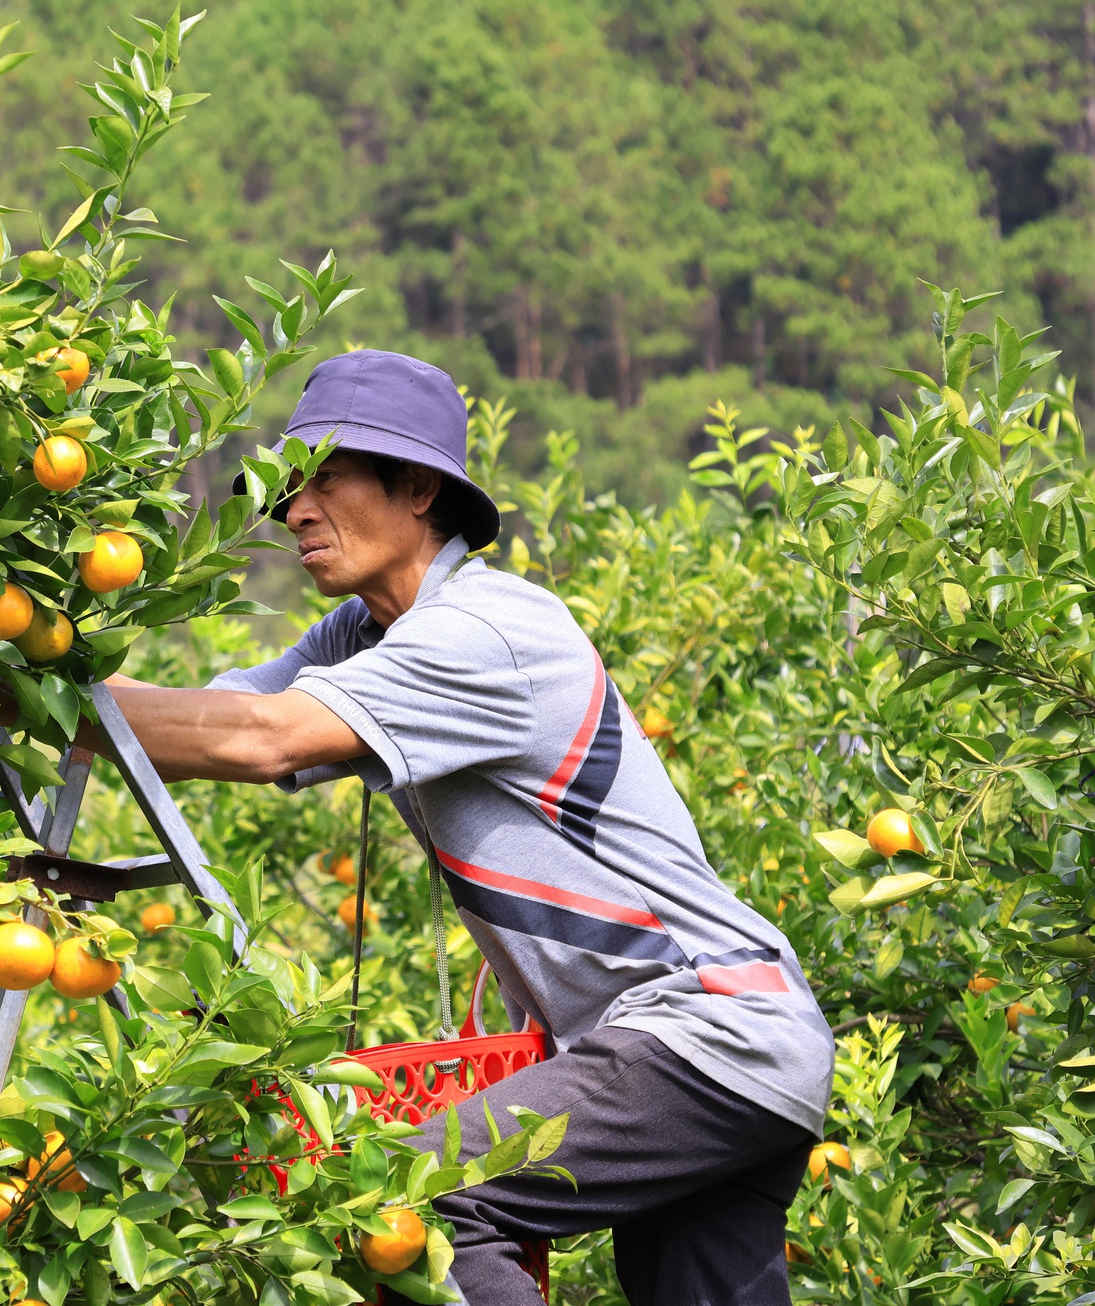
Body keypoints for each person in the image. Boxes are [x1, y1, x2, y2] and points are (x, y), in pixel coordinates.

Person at [99, 350, 834, 1305]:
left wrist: (40, 695)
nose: (294, 510)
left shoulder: (484, 631)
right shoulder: (366, 632)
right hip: (730, 1043)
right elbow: (210, 709)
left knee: (415, 1204)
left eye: (324, 478)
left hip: (703, 1027)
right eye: (287, 489)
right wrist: (44, 683)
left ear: (416, 488)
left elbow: (262, 740)